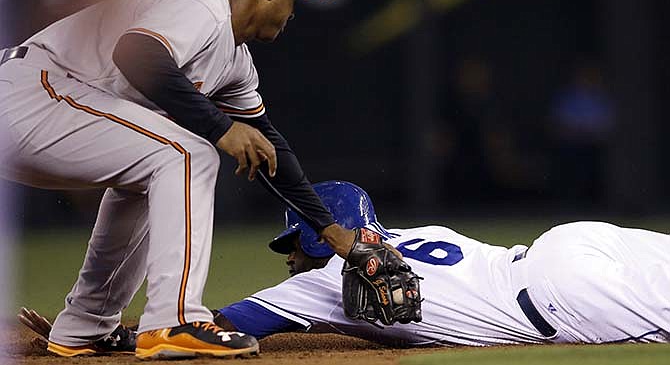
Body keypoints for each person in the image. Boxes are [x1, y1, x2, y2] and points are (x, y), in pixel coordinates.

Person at [0, 0, 358, 360]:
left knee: (156, 167)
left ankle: (86, 326)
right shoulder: (201, 8)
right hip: (29, 92)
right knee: (189, 152)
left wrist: (330, 231)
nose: (292, 12)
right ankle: (175, 320)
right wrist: (220, 130)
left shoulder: (235, 61)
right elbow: (136, 54)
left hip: (41, 105)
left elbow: (270, 149)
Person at [213, 181, 670, 346]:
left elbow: (222, 324)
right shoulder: (425, 232)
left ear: (318, 236)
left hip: (564, 299)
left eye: (293, 243)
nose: (290, 257)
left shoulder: (324, 281)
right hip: (567, 241)